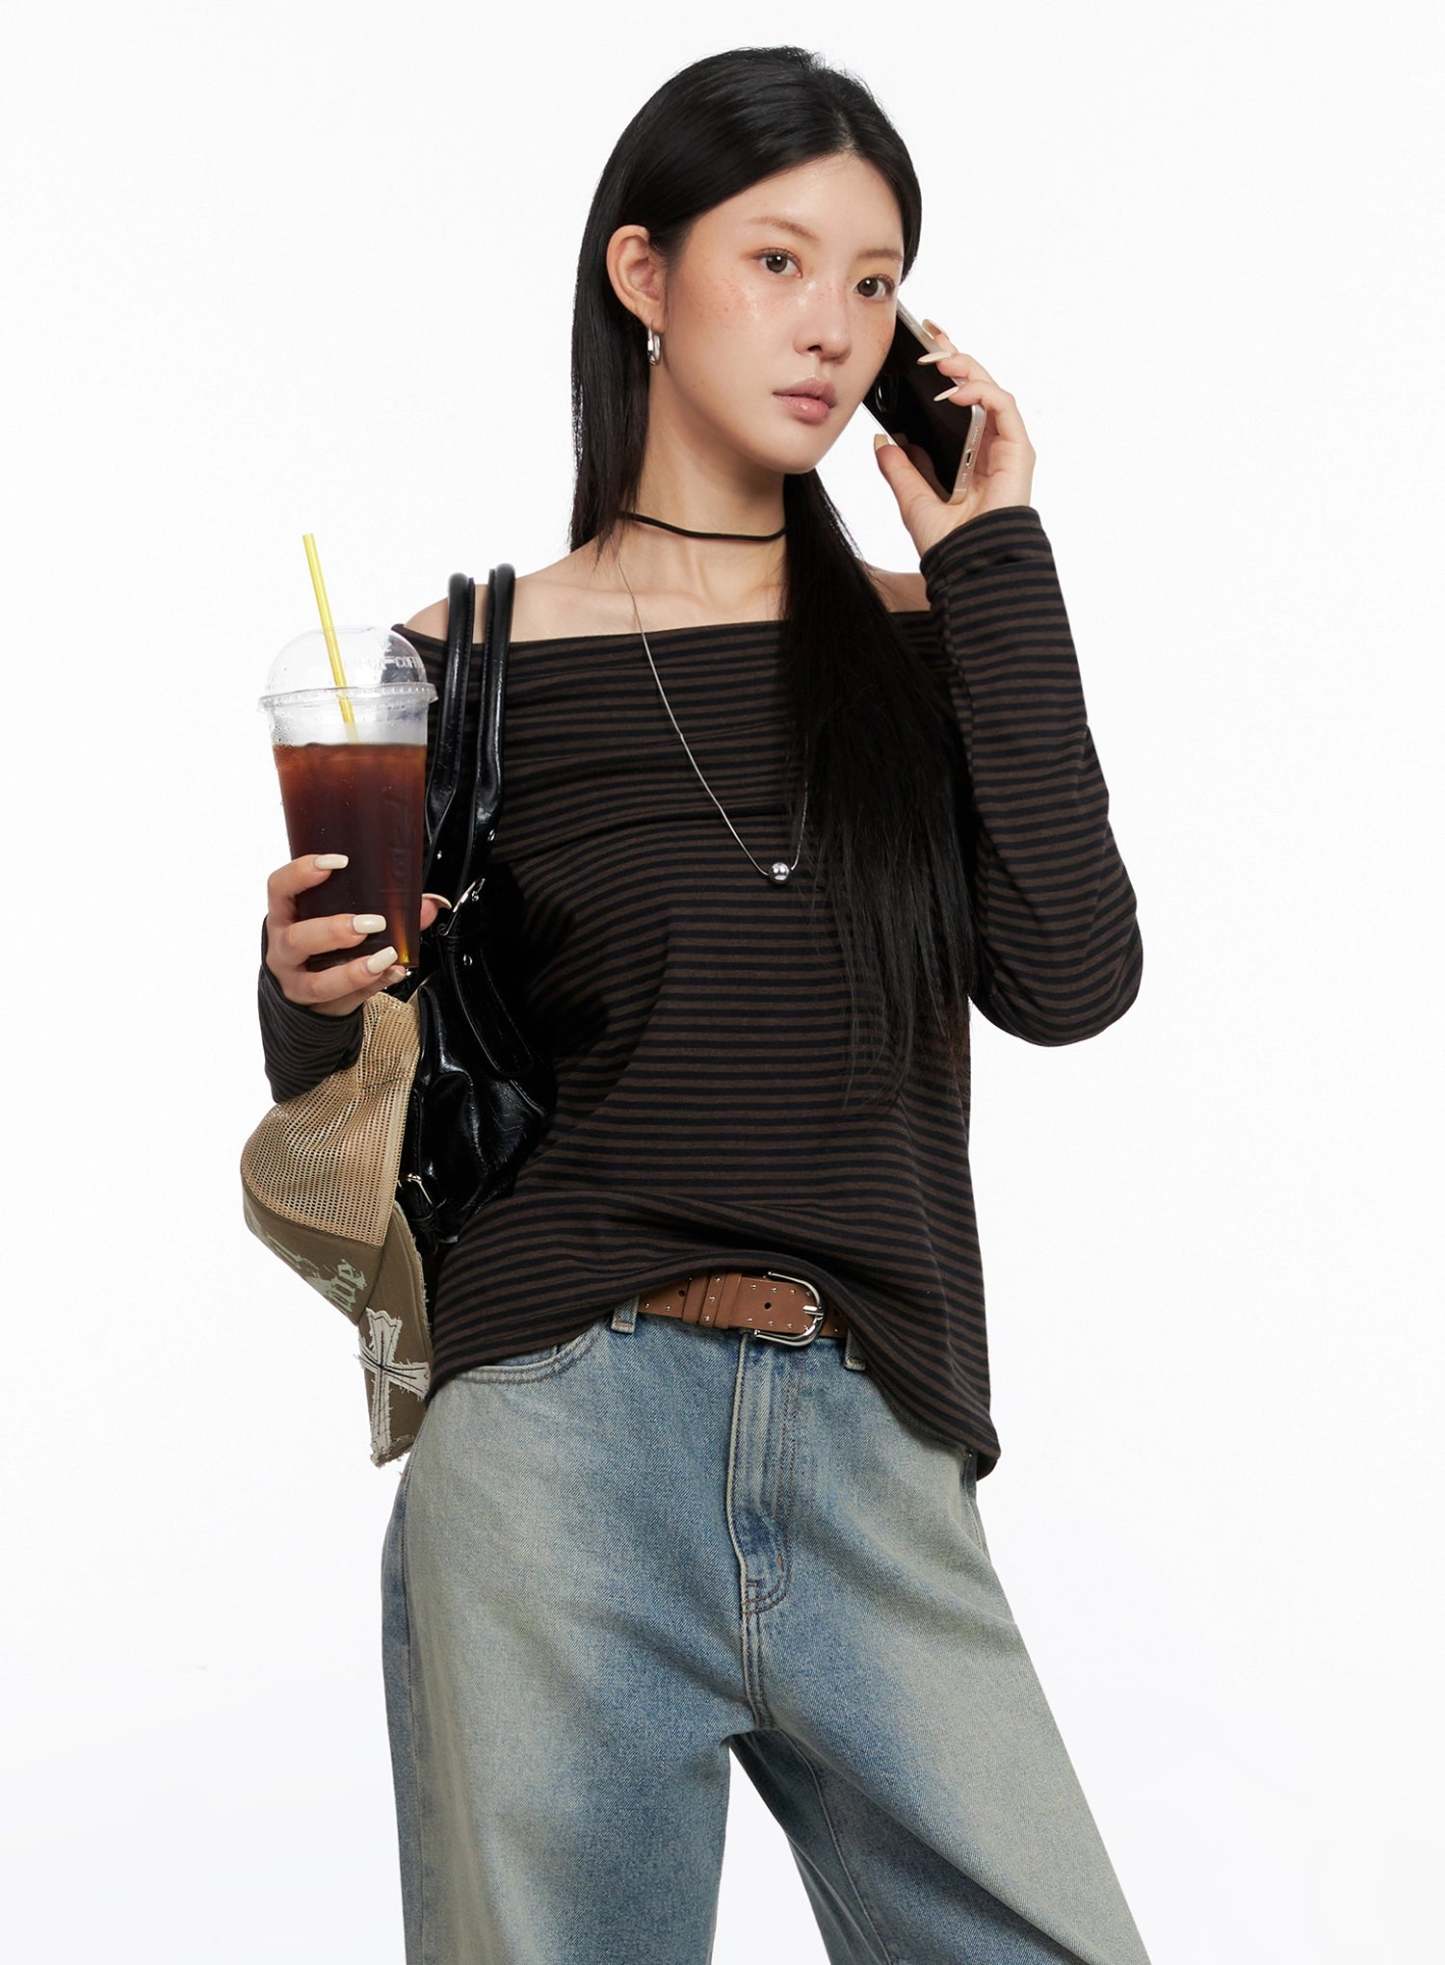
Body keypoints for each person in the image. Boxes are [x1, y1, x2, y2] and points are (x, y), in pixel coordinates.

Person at [257, 44, 1151, 1965]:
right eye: (779, 260)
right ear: (642, 274)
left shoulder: (934, 634)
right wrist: (303, 991)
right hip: (555, 1432)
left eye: (874, 281)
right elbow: (380, 1098)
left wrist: (992, 557)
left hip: (876, 1421)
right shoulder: (454, 661)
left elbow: (1069, 976)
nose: (832, 325)